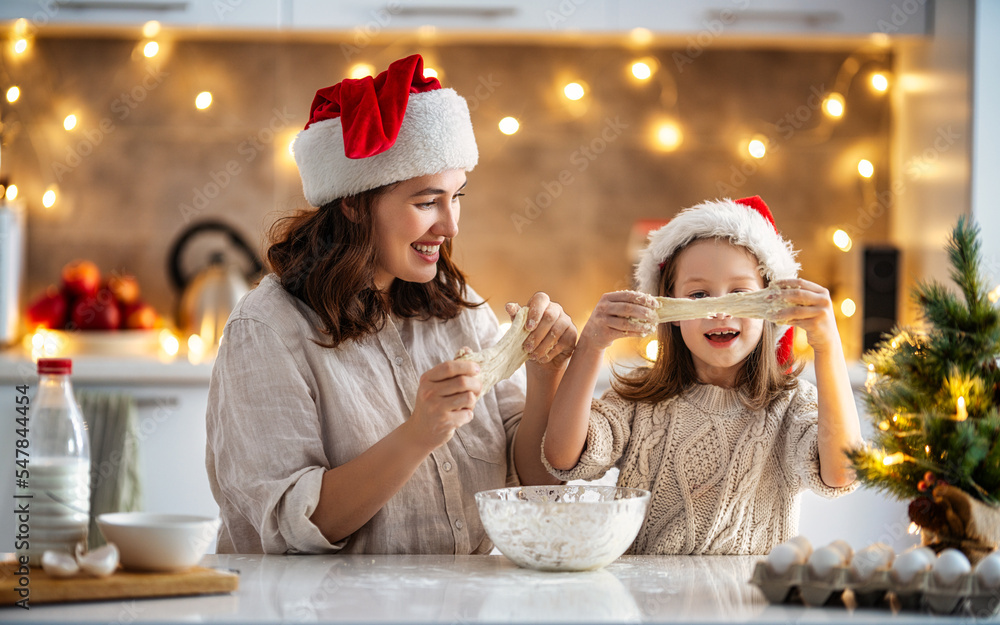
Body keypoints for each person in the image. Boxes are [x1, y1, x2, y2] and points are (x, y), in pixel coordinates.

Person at [205, 54, 573, 555]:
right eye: (427, 202)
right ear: (354, 202)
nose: (451, 225)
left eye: (456, 196)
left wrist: (545, 376)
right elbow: (289, 528)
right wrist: (419, 434)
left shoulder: (458, 309)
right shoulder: (268, 329)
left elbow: (530, 477)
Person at [541, 196, 862, 555]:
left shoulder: (789, 407)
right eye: (699, 295)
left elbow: (842, 473)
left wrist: (828, 346)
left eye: (739, 294)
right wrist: (590, 347)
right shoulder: (640, 402)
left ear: (770, 305)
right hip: (649, 602)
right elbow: (562, 458)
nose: (720, 311)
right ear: (671, 309)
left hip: (748, 604)